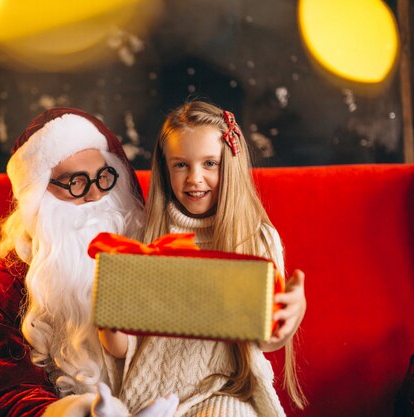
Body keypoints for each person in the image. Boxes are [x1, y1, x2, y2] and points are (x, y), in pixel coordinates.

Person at [99, 101, 307, 417]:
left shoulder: (255, 237)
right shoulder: (143, 234)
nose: (195, 178)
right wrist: (109, 316)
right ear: (165, 168)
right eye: (181, 165)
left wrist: (290, 318)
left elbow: (266, 341)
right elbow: (120, 348)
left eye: (210, 163)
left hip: (223, 391)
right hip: (149, 395)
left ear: (230, 165)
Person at [0, 107, 178, 417]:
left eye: (103, 177)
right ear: (40, 196)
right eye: (76, 183)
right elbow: (4, 395)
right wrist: (73, 411)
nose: (96, 194)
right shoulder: (10, 284)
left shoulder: (153, 245)